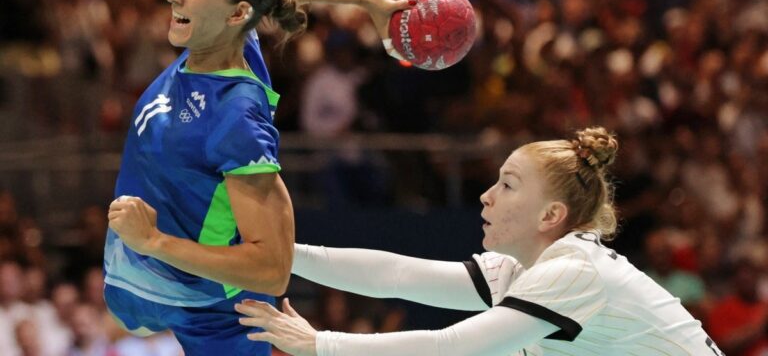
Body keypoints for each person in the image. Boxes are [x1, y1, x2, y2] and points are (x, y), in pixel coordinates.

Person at [103, 0, 412, 356]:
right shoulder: (228, 39)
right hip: (150, 282)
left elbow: (271, 269)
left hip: (212, 310)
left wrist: (153, 242)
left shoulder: (236, 116)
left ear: (236, 13)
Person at [235, 127, 724, 356]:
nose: (486, 198)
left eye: (508, 185)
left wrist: (321, 344)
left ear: (551, 215)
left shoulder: (573, 270)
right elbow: (398, 274)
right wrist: (281, 256)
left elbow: (453, 344)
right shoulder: (523, 268)